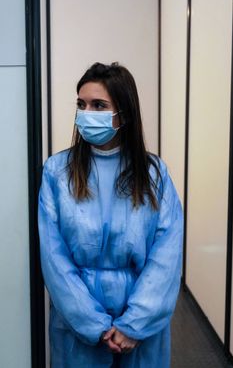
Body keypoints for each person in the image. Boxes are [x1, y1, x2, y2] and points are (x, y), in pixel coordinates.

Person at [38, 62, 183, 367]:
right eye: (81, 104)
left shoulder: (154, 174)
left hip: (142, 322)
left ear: (124, 114)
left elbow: (166, 257)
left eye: (98, 105)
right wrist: (93, 324)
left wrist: (135, 324)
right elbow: (54, 257)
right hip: (77, 322)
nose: (86, 113)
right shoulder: (58, 171)